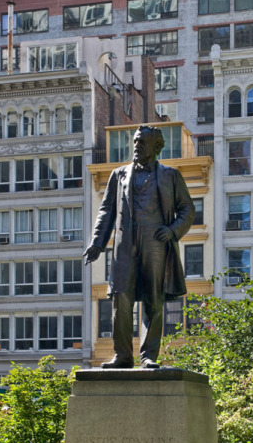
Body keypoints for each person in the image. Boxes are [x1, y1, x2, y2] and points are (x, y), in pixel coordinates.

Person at [84, 125, 195, 369]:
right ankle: (122, 355)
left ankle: (148, 356)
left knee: (153, 301)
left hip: (156, 242)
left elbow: (187, 208)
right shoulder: (119, 174)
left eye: (142, 142)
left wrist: (173, 230)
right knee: (120, 297)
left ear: (156, 147)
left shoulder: (171, 176)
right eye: (135, 141)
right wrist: (97, 242)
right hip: (125, 245)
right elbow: (106, 211)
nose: (136, 146)